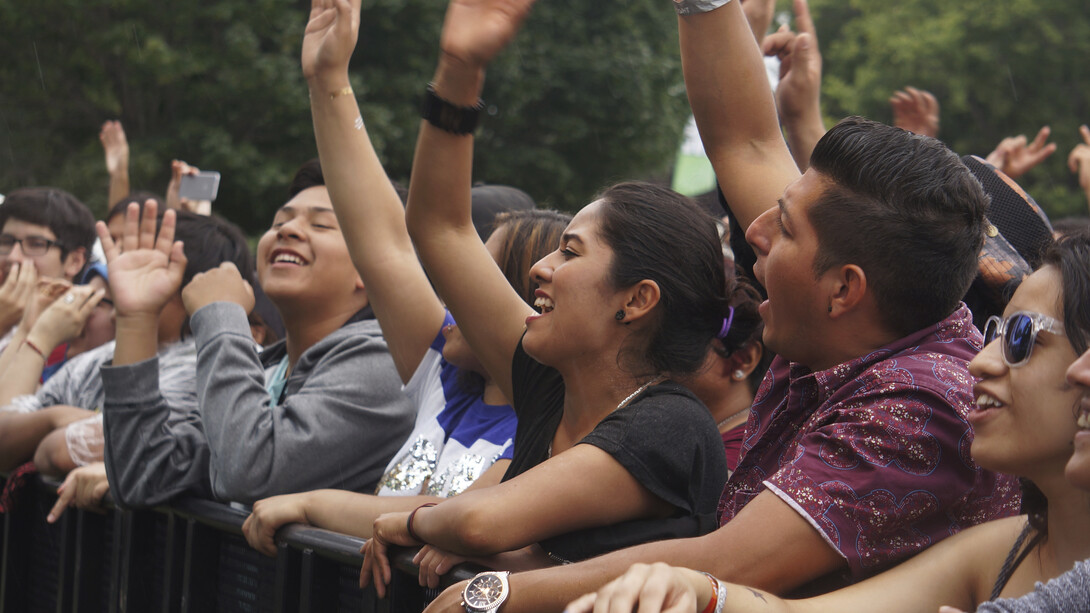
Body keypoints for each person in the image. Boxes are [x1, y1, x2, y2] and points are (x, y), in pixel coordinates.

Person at [422, 1, 1017, 610]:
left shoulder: (919, 407)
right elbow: (748, 141)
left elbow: (726, 561)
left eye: (784, 228)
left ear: (844, 290)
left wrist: (495, 593)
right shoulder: (857, 312)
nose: (752, 230)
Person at [309, 0, 735, 595]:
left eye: (570, 252)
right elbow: (438, 226)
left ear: (637, 300)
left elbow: (483, 520)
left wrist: (415, 521)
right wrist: (459, 71)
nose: (539, 268)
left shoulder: (670, 424)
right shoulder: (548, 384)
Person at [565, 232, 1090, 613]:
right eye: (994, 331)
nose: (982, 360)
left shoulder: (919, 405)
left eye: (1021, 337)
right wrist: (700, 592)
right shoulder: (1003, 547)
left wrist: (493, 593)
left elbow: (478, 522)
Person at [99, 163, 416, 509]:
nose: (288, 230)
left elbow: (249, 470)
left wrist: (221, 313)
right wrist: (137, 319)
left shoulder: (386, 366)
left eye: (321, 224)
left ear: (371, 267)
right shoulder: (270, 367)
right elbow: (144, 476)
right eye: (280, 221)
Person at [27, 206, 248, 479]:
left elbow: (64, 451)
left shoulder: (206, 365)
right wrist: (54, 418)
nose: (125, 274)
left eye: (152, 265)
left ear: (194, 285)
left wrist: (49, 422)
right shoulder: (100, 356)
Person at [0, 187, 97, 355]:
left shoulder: (85, 339)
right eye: (6, 242)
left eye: (36, 244)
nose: (13, 257)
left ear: (75, 261)